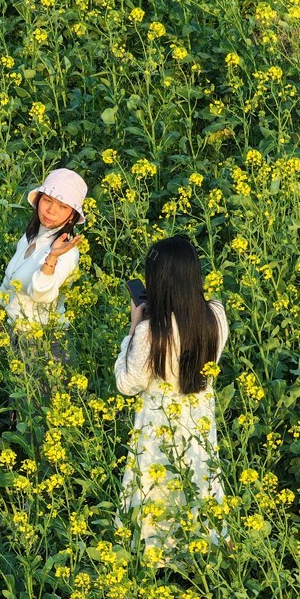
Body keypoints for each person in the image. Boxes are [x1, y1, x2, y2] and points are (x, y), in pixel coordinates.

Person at [114, 235, 229, 560]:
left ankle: (154, 556)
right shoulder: (216, 316)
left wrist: (134, 328)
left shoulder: (152, 333)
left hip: (157, 426)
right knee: (199, 480)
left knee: (154, 489)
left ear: (157, 283)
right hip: (199, 422)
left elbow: (127, 383)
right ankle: (203, 552)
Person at [0, 168, 87, 338]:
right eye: (47, 200)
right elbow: (9, 280)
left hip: (42, 340)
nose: (51, 210)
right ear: (39, 200)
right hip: (12, 330)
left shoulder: (66, 253)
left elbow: (42, 295)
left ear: (72, 216)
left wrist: (52, 258)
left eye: (62, 206)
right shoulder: (30, 237)